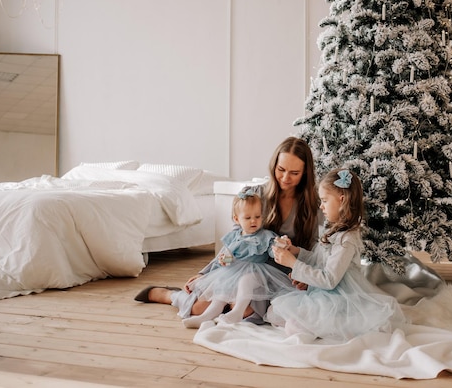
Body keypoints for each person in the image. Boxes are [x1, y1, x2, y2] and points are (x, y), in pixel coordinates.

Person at [134, 136, 321, 323]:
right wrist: (204, 273)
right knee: (199, 308)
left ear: (305, 173)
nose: (285, 178)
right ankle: (171, 296)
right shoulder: (256, 194)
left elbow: (315, 250)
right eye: (281, 170)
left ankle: (223, 307)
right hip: (241, 268)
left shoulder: (313, 205)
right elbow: (236, 241)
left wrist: (304, 275)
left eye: (294, 173)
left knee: (245, 311)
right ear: (274, 166)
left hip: (281, 274)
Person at [265, 168, 406, 340]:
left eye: (324, 200)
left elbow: (329, 280)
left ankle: (338, 324)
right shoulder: (332, 229)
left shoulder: (347, 239)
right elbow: (319, 259)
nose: (321, 206)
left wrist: (293, 264)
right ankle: (320, 323)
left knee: (292, 327)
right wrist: (294, 251)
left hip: (341, 296)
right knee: (276, 312)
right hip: (322, 292)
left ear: (341, 200)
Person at [181, 189, 294, 328]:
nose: (253, 221)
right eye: (248, 218)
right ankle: (206, 316)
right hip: (234, 271)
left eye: (257, 217)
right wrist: (224, 260)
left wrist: (280, 244)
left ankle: (237, 312)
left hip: (258, 272)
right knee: (221, 290)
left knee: (247, 280)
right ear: (236, 219)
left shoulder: (266, 235)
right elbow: (229, 258)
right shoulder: (234, 237)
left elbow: (272, 251)